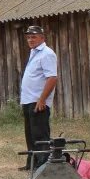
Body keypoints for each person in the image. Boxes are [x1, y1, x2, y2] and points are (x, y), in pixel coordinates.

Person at [20, 24, 58, 170]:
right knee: (30, 133)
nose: (30, 39)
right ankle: (32, 162)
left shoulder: (47, 53)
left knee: (40, 133)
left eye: (33, 36)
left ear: (42, 37)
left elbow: (52, 78)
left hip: (38, 100)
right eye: (28, 37)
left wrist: (42, 99)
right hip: (29, 99)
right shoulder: (34, 52)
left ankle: (42, 164)